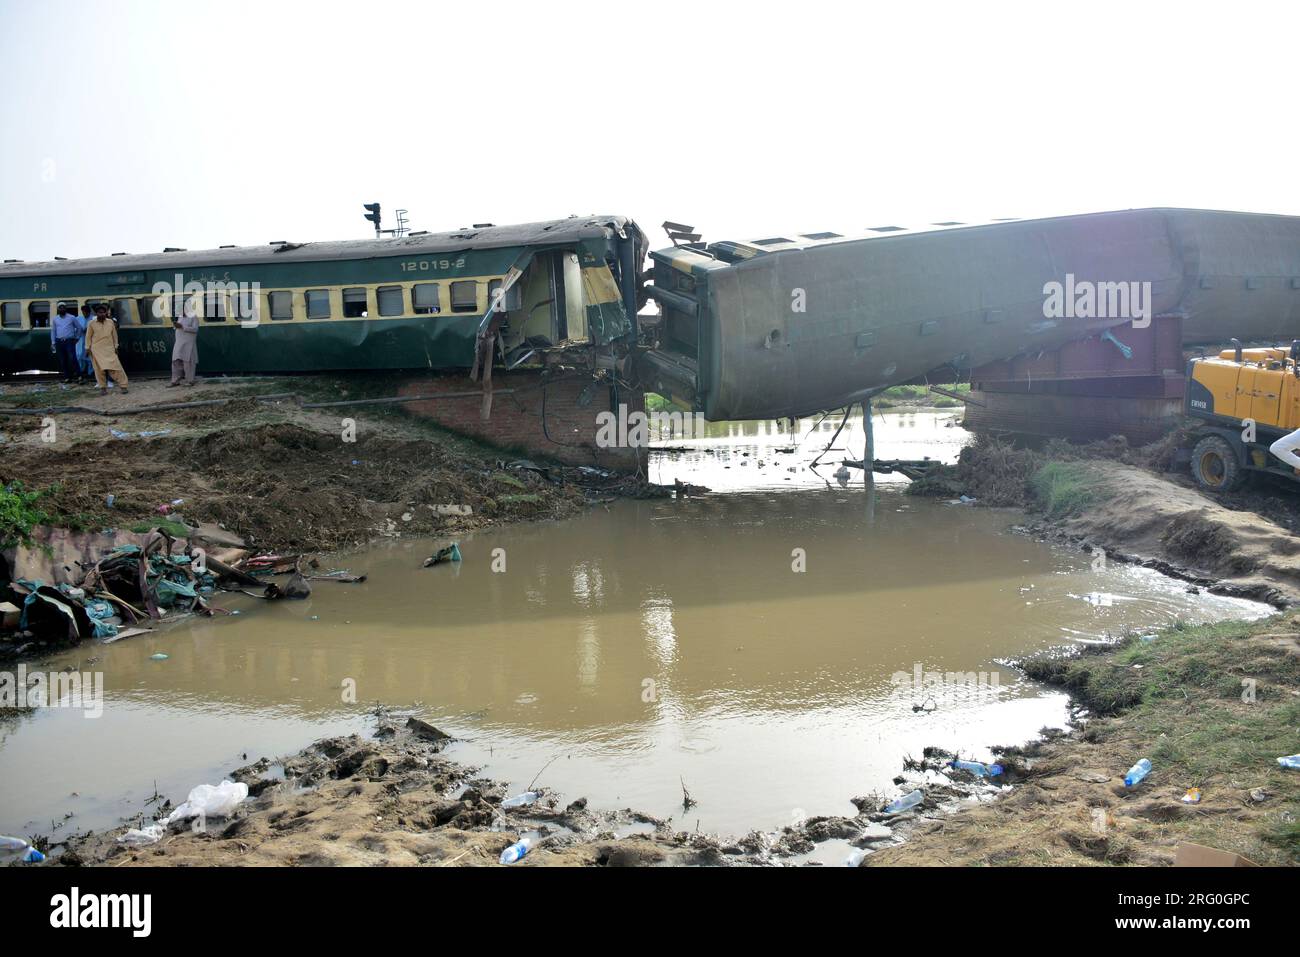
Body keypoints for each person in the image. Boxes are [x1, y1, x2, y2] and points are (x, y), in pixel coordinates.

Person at [85, 303, 129, 395]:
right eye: (99, 313)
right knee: (98, 370)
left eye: (103, 312)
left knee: (116, 368)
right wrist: (87, 348)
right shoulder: (91, 323)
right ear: (96, 313)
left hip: (109, 349)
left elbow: (114, 336)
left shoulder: (110, 322)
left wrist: (116, 346)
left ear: (106, 313)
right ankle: (103, 388)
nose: (102, 314)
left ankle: (123, 386)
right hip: (96, 350)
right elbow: (88, 337)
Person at [169, 299, 199, 387]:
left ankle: (190, 381)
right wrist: (176, 325)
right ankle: (175, 381)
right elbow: (179, 327)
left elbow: (195, 329)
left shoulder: (194, 317)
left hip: (188, 343)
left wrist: (183, 327)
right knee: (176, 361)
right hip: (179, 342)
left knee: (188, 362)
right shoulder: (180, 317)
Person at [49, 303, 81, 382]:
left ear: (65, 309)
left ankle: (79, 376)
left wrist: (77, 338)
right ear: (58, 309)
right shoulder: (55, 319)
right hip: (59, 341)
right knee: (63, 360)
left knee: (72, 358)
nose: (61, 309)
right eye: (60, 308)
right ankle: (67, 377)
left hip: (69, 341)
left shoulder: (71, 317)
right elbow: (53, 331)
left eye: (63, 308)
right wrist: (53, 342)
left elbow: (79, 328)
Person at [75, 304, 94, 383]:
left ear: (89, 312)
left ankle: (91, 373)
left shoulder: (93, 318)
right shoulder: (79, 318)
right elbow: (75, 328)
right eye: (83, 312)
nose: (84, 314)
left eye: (85, 312)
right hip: (81, 340)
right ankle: (81, 372)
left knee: (90, 357)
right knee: (80, 356)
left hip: (91, 340)